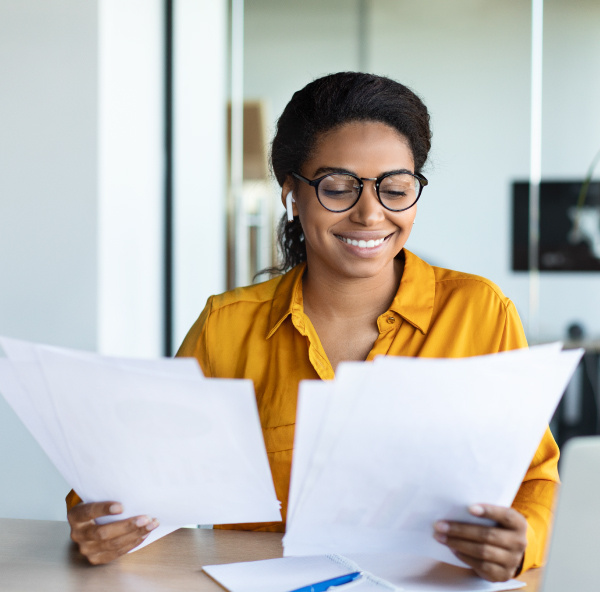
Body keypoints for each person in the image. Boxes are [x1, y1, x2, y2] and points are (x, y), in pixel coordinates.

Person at [67, 72, 559, 582]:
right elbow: (137, 473)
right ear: (291, 195)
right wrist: (99, 522)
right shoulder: (227, 327)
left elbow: (535, 476)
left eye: (395, 189)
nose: (371, 214)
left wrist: (522, 539)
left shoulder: (479, 311)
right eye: (338, 188)